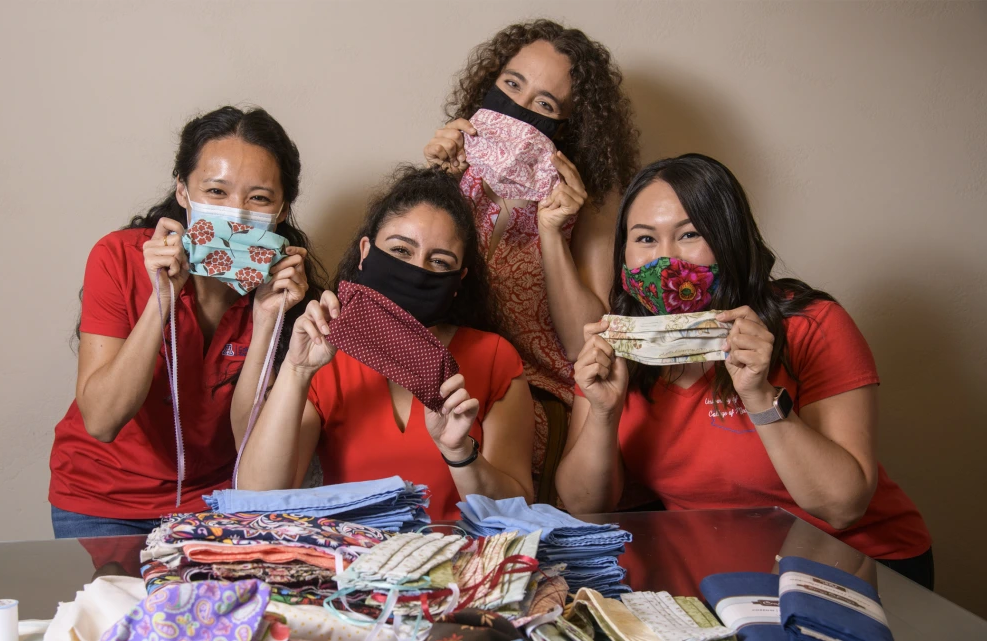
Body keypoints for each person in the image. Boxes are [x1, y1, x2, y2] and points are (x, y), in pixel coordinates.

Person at [556, 154, 933, 588]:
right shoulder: (616, 346)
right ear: (623, 254)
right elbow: (585, 505)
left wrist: (758, 396)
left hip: (859, 561)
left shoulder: (812, 324)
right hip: (723, 568)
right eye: (644, 239)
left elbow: (842, 507)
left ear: (730, 239)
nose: (666, 259)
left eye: (690, 234)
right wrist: (604, 413)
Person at [48, 106, 324, 538]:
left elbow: (247, 442)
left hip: (214, 505)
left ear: (282, 209)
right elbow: (102, 420)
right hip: (102, 501)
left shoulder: (284, 291)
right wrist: (162, 300)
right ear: (182, 190)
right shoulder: (118, 258)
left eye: (259, 198)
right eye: (216, 191)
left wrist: (267, 318)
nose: (237, 213)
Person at [232, 166, 534, 520]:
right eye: (401, 251)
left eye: (439, 261)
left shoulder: (493, 357)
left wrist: (460, 454)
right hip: (351, 564)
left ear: (458, 281)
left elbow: (520, 515)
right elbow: (255, 498)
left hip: (461, 565)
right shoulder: (327, 358)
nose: (417, 271)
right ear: (365, 252)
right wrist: (297, 370)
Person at [423, 19, 640, 499]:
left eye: (544, 104)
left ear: (570, 128)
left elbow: (586, 343)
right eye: (511, 85)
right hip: (436, 380)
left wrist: (551, 228)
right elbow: (412, 290)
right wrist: (435, 185)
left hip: (526, 403)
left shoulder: (593, 204)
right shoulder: (462, 170)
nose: (519, 108)